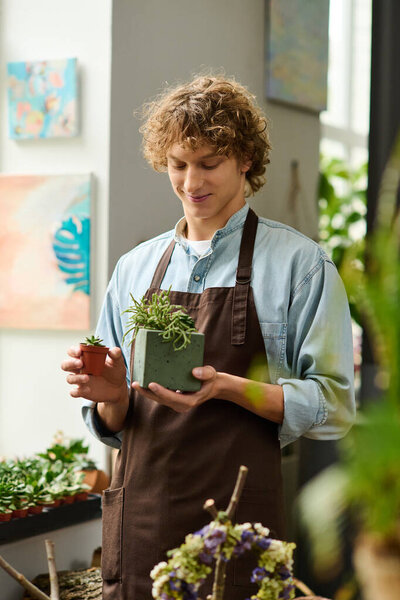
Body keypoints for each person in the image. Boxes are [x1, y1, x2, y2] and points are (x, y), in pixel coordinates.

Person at [62, 75, 356, 600]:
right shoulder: (135, 267)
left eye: (209, 163)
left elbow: (334, 407)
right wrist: (110, 397)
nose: (191, 181)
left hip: (238, 525)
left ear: (244, 159)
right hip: (142, 523)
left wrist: (226, 387)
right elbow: (116, 423)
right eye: (178, 164)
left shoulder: (299, 266)